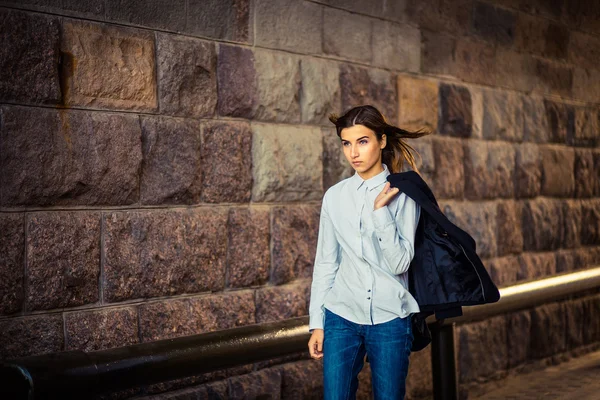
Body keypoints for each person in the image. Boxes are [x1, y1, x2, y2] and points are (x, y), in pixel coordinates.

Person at [308, 105, 431, 399]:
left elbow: (400, 262)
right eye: (347, 143)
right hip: (341, 316)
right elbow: (326, 262)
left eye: (362, 141)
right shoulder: (335, 196)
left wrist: (380, 213)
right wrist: (317, 323)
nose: (354, 153)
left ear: (382, 141)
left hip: (391, 318)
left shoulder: (403, 194)